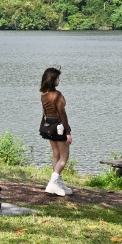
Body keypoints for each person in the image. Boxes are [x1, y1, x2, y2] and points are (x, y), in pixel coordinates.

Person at [39, 66, 74, 196]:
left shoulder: (44, 94)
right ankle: (53, 183)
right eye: (58, 78)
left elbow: (45, 112)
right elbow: (62, 114)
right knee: (64, 157)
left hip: (49, 126)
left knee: (56, 155)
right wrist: (68, 131)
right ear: (53, 80)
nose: (59, 80)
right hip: (59, 127)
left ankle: (58, 182)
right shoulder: (57, 95)